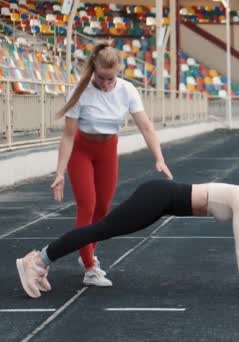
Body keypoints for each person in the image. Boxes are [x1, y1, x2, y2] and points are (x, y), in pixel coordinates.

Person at [16, 170, 239, 299]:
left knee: (103, 230)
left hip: (163, 201)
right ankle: (39, 261)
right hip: (159, 196)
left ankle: (41, 260)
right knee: (101, 229)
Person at [51, 40, 173, 287]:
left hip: (108, 150)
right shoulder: (81, 90)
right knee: (87, 205)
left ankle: (84, 248)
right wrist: (60, 172)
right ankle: (89, 266)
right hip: (81, 150)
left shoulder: (127, 90)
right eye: (101, 78)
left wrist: (159, 158)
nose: (106, 85)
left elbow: (146, 126)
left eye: (111, 79)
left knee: (103, 209)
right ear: (93, 70)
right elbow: (67, 135)